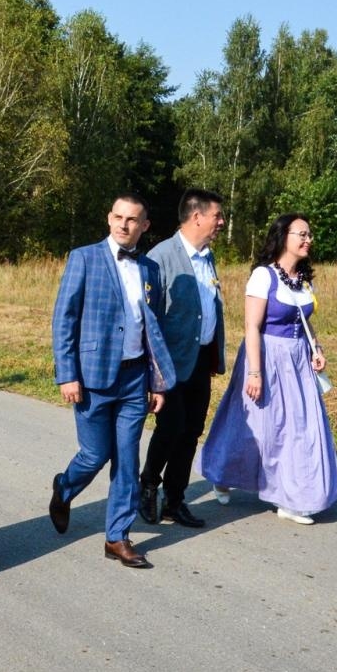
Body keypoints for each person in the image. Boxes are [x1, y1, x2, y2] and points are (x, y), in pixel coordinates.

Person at [48, 194, 175, 569]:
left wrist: (157, 381)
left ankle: (117, 536)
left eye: (132, 219)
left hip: (135, 378)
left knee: (126, 457)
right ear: (109, 219)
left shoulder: (150, 269)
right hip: (91, 378)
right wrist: (67, 374)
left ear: (145, 226)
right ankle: (65, 487)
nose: (124, 224)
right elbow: (64, 319)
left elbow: (155, 329)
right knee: (94, 455)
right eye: (118, 217)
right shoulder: (83, 258)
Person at [200, 214, 337, 524]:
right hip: (265, 357)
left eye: (310, 234)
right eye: (301, 234)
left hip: (298, 360)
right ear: (283, 236)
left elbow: (304, 322)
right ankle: (222, 473)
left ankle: (289, 498)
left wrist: (317, 349)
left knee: (298, 429)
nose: (308, 239)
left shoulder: (304, 279)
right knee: (254, 426)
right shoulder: (263, 276)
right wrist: (254, 372)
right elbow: (251, 326)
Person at [139, 188, 227, 528]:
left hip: (200, 360)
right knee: (171, 427)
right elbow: (150, 317)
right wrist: (151, 370)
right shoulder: (162, 257)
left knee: (191, 431)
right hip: (170, 362)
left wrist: (215, 355)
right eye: (217, 215)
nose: (221, 222)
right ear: (196, 217)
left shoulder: (208, 257)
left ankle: (175, 501)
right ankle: (148, 484)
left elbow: (209, 310)